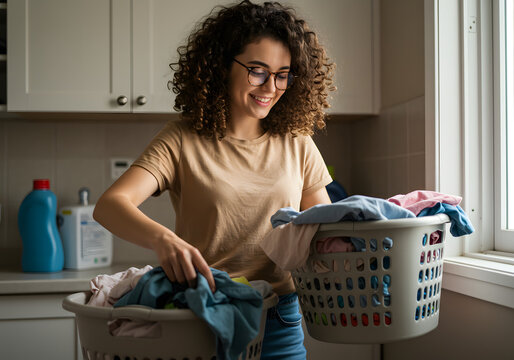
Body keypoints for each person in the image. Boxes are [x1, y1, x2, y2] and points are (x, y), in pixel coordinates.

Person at [93, 1, 334, 358]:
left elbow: (322, 231)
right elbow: (111, 205)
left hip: (279, 319)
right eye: (258, 71)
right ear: (223, 66)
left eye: (283, 74)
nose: (271, 86)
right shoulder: (181, 138)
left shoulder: (297, 141)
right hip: (203, 315)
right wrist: (164, 241)